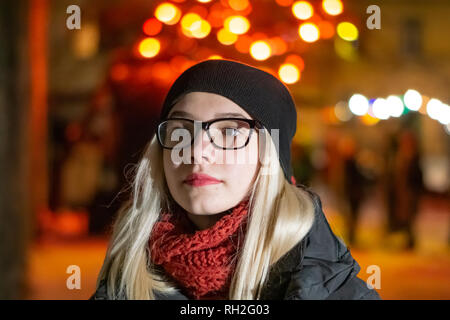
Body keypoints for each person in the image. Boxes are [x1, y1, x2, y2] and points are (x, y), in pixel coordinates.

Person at [90, 59, 381, 300]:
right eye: (181, 131)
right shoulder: (124, 276)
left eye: (229, 131)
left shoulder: (331, 287)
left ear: (270, 155)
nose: (196, 152)